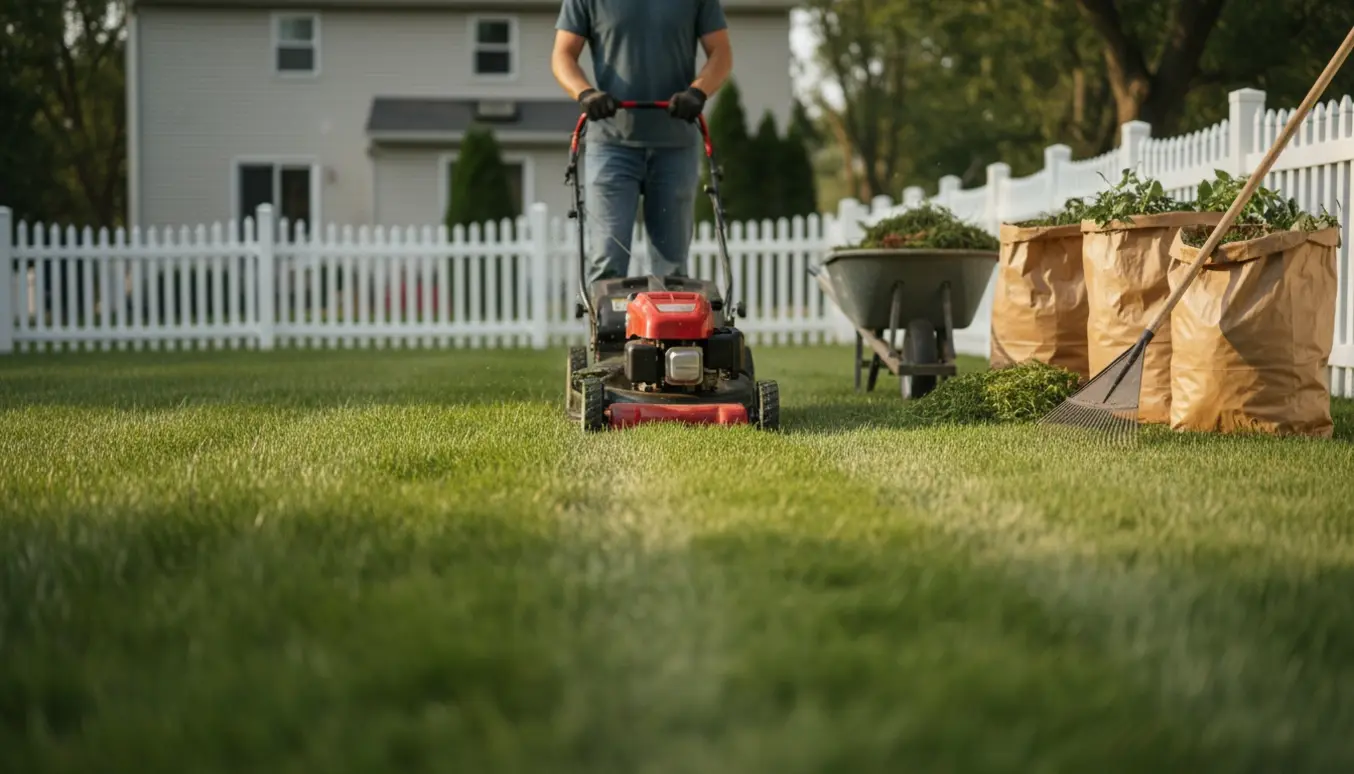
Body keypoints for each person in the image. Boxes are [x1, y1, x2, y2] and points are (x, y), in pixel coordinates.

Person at [551, 0, 732, 284]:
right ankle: (604, 315)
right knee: (607, 263)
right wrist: (585, 93)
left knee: (672, 271)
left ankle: (668, 314)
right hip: (611, 144)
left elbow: (721, 53)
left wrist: (698, 92)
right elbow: (563, 54)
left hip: (675, 144)